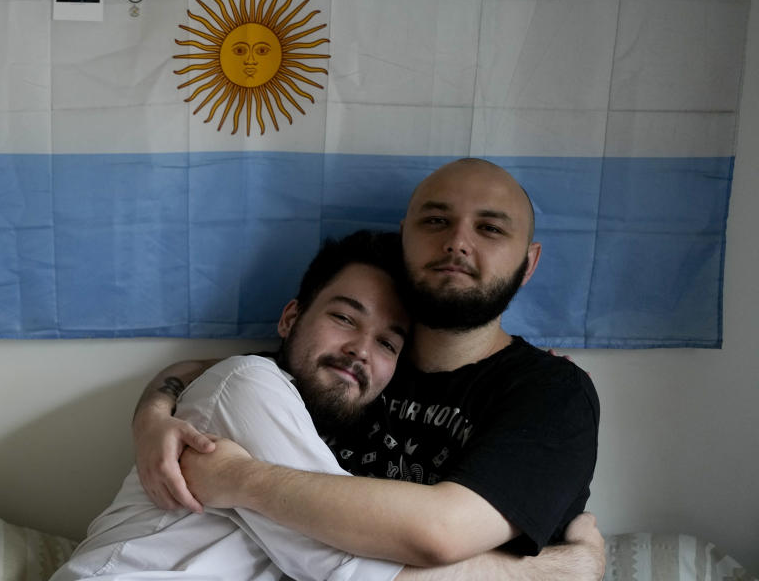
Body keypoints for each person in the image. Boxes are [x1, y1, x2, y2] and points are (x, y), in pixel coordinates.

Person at [52, 231, 604, 580]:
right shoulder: (248, 384)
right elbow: (350, 569)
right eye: (344, 317)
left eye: (389, 342)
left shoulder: (330, 430)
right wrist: (561, 570)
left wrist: (155, 407)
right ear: (291, 319)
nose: (361, 351)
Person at [134, 158, 602, 568]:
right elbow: (223, 372)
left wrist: (239, 480)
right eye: (436, 221)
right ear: (405, 237)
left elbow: (441, 533)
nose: (458, 242)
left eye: (490, 228)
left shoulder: (551, 394)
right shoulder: (362, 367)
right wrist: (152, 418)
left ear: (528, 263)